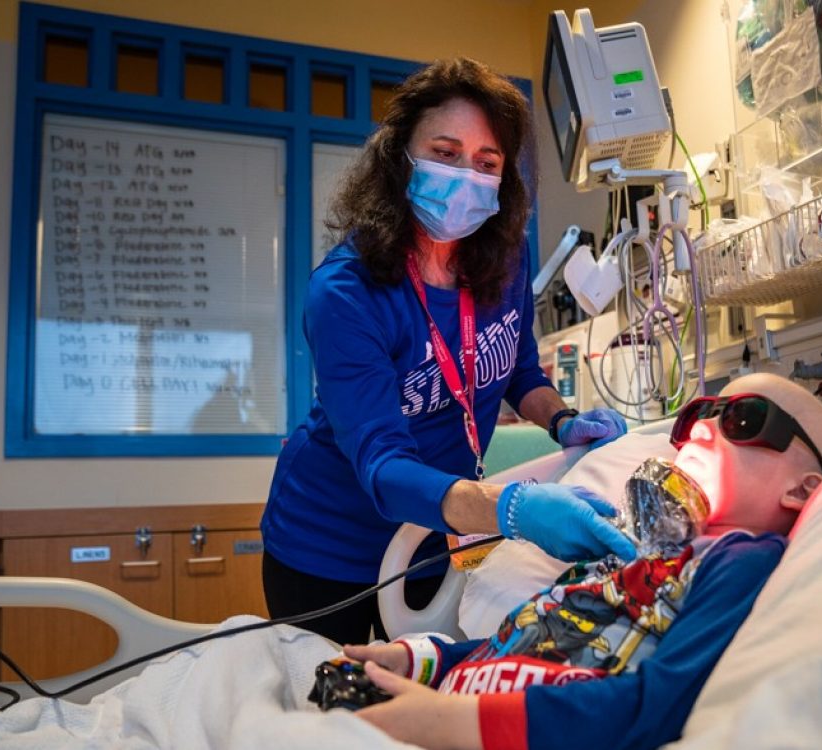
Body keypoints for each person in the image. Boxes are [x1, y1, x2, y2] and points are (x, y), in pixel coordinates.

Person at [260, 57, 634, 646]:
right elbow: (383, 470)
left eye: (487, 162)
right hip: (327, 546)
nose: (467, 174)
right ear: (399, 158)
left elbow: (516, 368)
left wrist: (562, 421)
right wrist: (513, 508)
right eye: (444, 152)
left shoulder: (502, 261)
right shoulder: (347, 292)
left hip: (438, 537)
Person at [340, 373, 822, 750]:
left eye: (744, 419)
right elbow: (528, 632)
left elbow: (655, 707)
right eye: (699, 414)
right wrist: (422, 660)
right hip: (445, 703)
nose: (702, 429)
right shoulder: (629, 543)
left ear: (804, 489)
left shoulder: (741, 562)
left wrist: (448, 723)